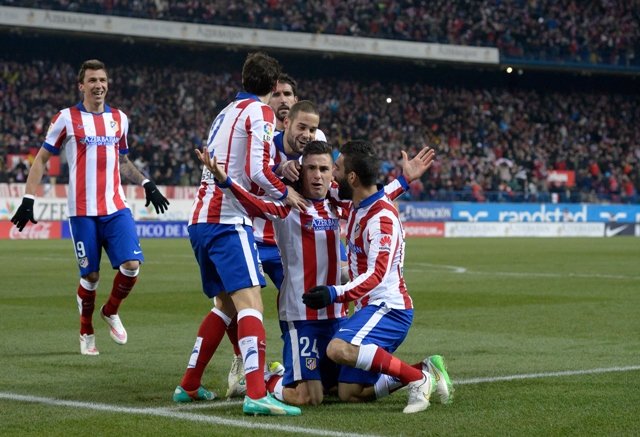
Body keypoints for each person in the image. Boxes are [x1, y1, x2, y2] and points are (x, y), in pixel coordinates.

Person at [200, 140, 437, 407]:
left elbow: (373, 199)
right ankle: (269, 378)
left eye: (326, 168)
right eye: (311, 168)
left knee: (344, 390)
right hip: (302, 317)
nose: (319, 174)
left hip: (337, 314)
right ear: (301, 171)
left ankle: (420, 373)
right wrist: (225, 181)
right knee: (310, 397)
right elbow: (255, 205)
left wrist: (404, 180)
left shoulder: (338, 206)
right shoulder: (290, 205)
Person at [10, 59, 170, 356]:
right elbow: (42, 159)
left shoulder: (119, 119)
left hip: (115, 207)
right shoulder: (66, 119)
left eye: (103, 80)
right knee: (91, 276)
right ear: (81, 85)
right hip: (82, 211)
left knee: (132, 266)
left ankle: (110, 311)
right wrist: (29, 199)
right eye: (93, 80)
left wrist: (146, 182)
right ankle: (86, 329)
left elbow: (122, 161)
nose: (99, 85)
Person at [173, 51, 303, 417]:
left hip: (200, 219)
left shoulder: (224, 112)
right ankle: (257, 392)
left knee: (225, 308)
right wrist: (284, 193)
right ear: (273, 85)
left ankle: (189, 384)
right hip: (227, 221)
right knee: (252, 306)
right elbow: (258, 170)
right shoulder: (259, 113)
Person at [302, 140, 454, 413]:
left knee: (337, 349)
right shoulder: (360, 204)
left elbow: (377, 275)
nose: (331, 176)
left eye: (335, 168)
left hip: (389, 309)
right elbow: (380, 193)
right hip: (370, 307)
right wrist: (405, 179)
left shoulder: (381, 219)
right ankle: (424, 369)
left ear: (352, 177)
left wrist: (334, 292)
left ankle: (416, 380)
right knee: (350, 393)